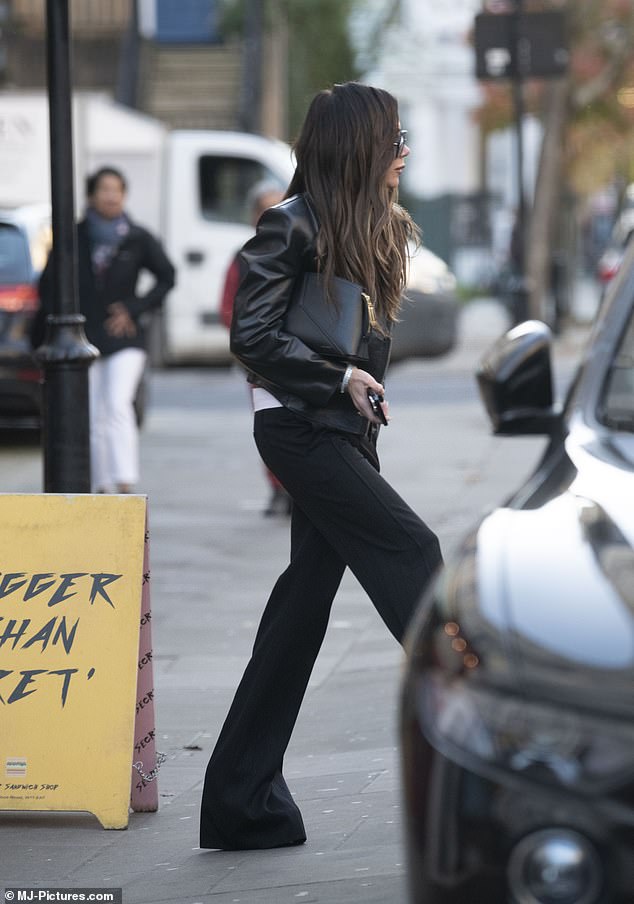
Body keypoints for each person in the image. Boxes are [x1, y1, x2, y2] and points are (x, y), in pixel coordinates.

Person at [199, 82, 443, 852]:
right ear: (357, 145)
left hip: (339, 434)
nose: (403, 149)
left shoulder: (373, 226)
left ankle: (241, 801)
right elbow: (252, 333)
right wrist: (338, 379)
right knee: (414, 551)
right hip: (300, 431)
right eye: (393, 137)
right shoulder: (290, 223)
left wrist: (357, 395)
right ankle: (493, 745)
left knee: (302, 606)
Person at [36, 166, 176, 493]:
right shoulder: (74, 236)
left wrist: (134, 308)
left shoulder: (137, 236)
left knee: (116, 404)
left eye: (117, 190)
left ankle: (125, 481)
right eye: (104, 189)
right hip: (83, 337)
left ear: (124, 195)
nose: (111, 196)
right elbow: (47, 284)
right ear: (91, 195)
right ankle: (101, 484)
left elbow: (167, 276)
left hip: (125, 339)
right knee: (94, 413)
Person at [219, 180, 291, 516]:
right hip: (259, 360)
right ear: (253, 216)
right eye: (265, 209)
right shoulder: (243, 256)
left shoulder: (303, 248)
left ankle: (299, 490)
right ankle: (278, 489)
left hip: (297, 354)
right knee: (271, 427)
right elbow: (227, 308)